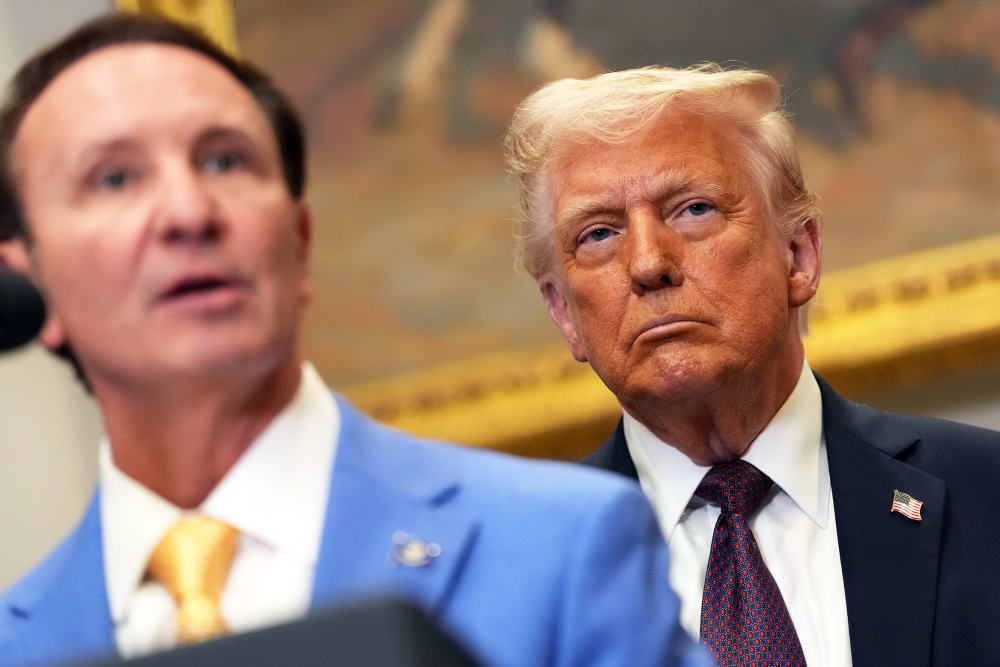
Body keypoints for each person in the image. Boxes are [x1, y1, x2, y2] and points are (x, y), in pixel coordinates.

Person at [0, 15, 709, 667]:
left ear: (299, 242)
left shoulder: (563, 546)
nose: (189, 212)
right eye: (115, 177)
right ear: (28, 282)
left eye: (224, 161)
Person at [505, 65, 1000, 666]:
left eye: (692, 209)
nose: (647, 263)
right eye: (599, 233)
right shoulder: (518, 571)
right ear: (563, 313)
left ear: (799, 255)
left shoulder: (985, 492)